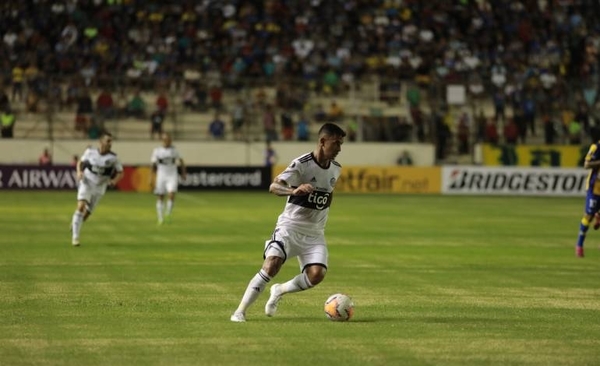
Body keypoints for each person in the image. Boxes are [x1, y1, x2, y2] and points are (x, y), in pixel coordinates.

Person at [230, 123, 346, 322]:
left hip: (314, 233)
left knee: (316, 275)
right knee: (271, 266)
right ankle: (239, 311)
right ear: (322, 141)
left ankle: (279, 291)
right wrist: (293, 191)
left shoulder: (336, 169)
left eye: (341, 144)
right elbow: (274, 186)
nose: (339, 149)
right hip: (289, 228)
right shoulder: (301, 164)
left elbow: (328, 195)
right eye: (336, 144)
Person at [71, 132, 124, 247]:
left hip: (100, 187)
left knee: (87, 213)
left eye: (111, 141)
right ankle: (75, 237)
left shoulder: (113, 158)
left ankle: (76, 224)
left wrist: (114, 181)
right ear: (101, 142)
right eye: (108, 141)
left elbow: (120, 172)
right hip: (87, 182)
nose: (110, 143)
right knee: (81, 206)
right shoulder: (90, 152)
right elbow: (80, 162)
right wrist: (79, 172)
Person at [150, 132, 186, 225]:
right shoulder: (157, 151)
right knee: (160, 196)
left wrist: (183, 173)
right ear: (162, 140)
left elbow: (181, 161)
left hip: (172, 175)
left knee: (171, 194)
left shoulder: (174, 150)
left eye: (168, 140)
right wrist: (151, 178)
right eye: (165, 139)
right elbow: (153, 165)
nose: (167, 141)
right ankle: (160, 218)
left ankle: (168, 213)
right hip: (161, 175)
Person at [576, 132, 600, 257]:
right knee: (588, 216)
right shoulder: (596, 147)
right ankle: (579, 244)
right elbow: (586, 164)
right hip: (595, 188)